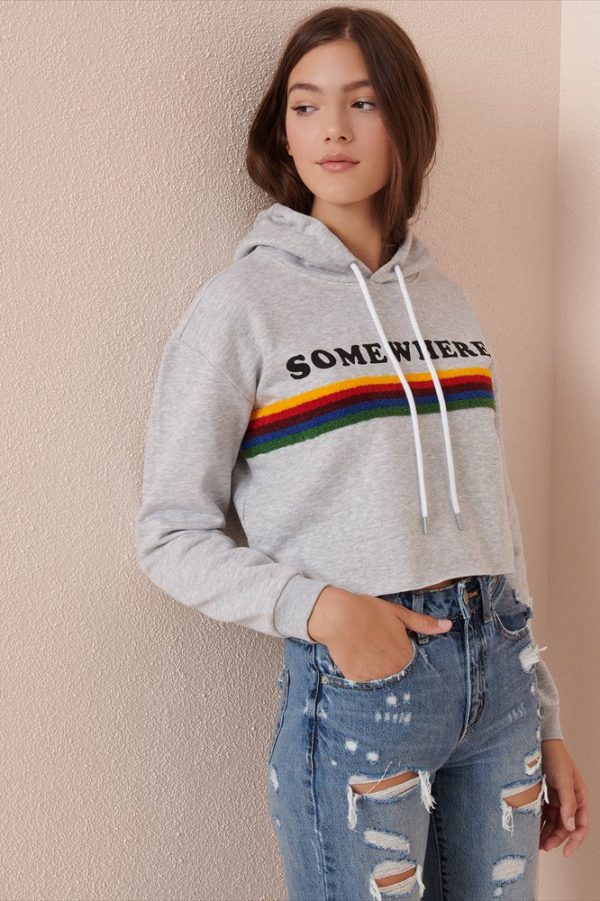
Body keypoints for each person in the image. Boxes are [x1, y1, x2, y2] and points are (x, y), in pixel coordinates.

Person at [135, 5, 588, 898]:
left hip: (499, 678)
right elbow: (169, 533)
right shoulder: (243, 306)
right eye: (305, 106)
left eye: (363, 102)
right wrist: (324, 610)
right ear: (283, 130)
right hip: (364, 689)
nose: (332, 129)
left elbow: (493, 519)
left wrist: (547, 715)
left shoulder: (448, 302)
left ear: (405, 120)